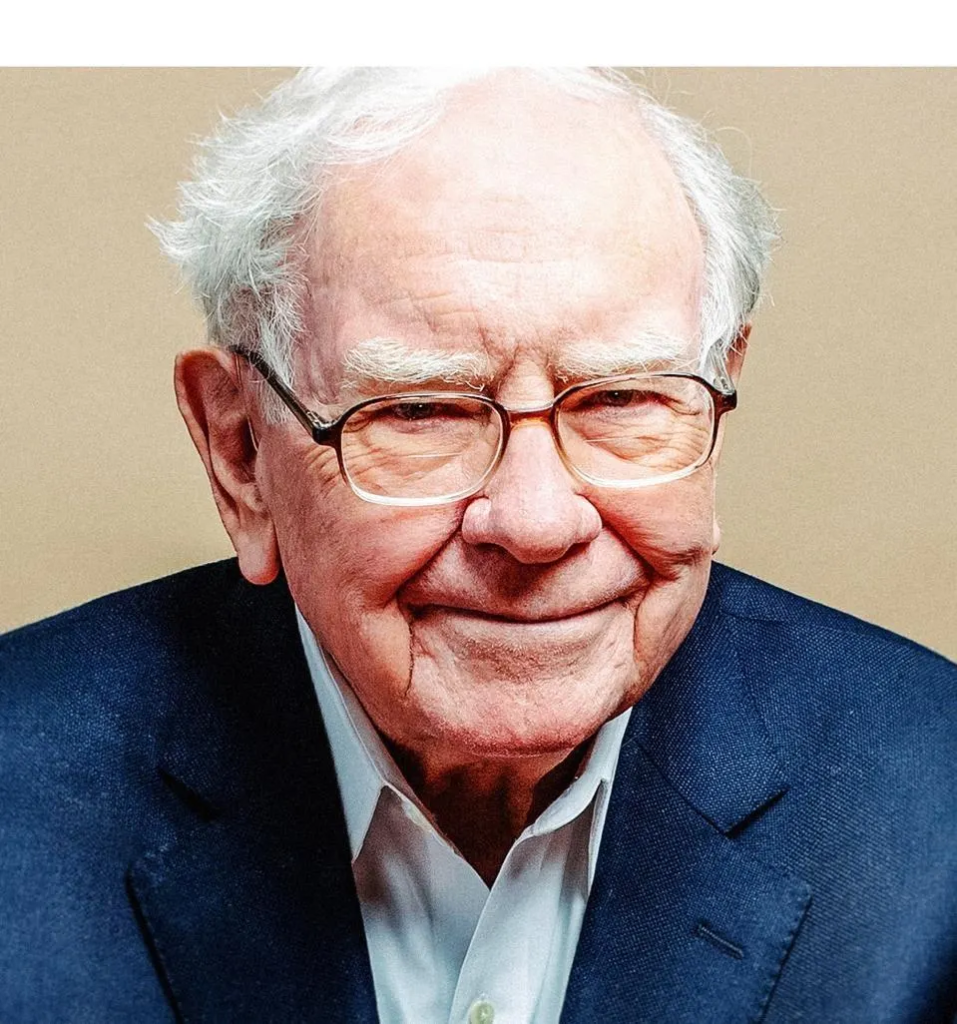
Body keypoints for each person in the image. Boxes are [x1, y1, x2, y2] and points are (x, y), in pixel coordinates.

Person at [0, 67, 954, 1024]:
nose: (536, 523)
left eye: (622, 398)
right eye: (419, 410)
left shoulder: (933, 807)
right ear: (241, 451)